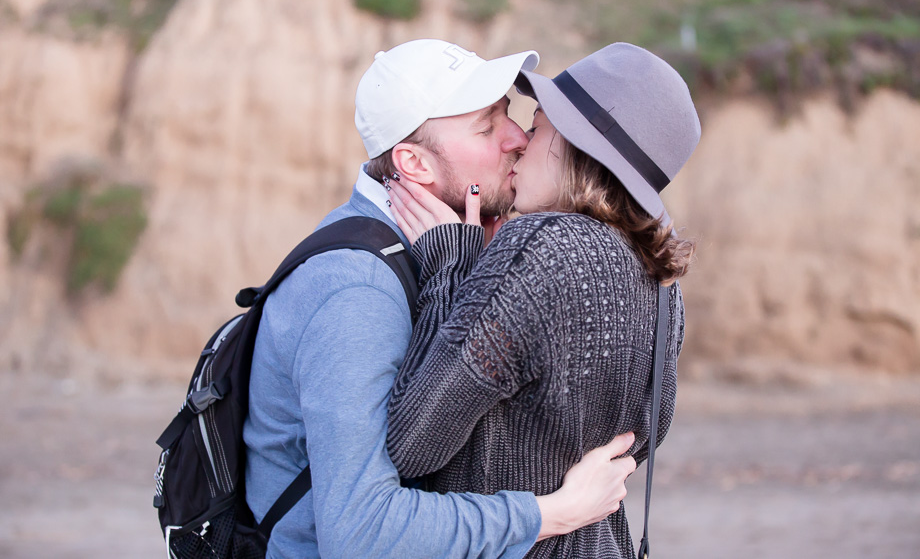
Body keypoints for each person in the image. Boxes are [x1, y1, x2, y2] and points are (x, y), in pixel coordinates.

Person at [243, 39, 640, 558]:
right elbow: (362, 533)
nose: (518, 138)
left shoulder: (444, 248)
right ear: (414, 163)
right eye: (486, 125)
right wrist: (552, 512)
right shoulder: (355, 290)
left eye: (510, 114)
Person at [385, 42, 701, 558]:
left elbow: (411, 442)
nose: (521, 143)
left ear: (578, 147)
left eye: (538, 127)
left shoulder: (539, 248)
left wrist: (451, 268)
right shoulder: (665, 288)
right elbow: (640, 441)